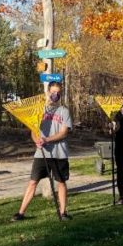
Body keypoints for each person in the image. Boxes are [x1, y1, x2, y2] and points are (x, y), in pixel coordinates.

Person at [14, 82, 73, 221]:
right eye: (53, 92)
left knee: (61, 182)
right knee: (33, 181)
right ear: (47, 92)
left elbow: (64, 132)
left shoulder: (64, 111)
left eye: (58, 93)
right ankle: (21, 213)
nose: (55, 95)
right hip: (41, 154)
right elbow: (33, 131)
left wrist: (47, 139)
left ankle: (63, 212)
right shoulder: (39, 110)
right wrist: (37, 140)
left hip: (59, 153)